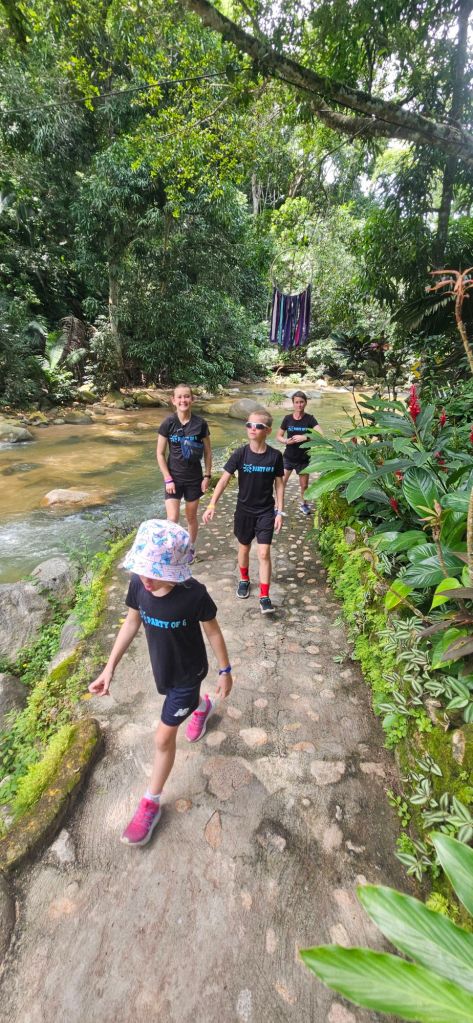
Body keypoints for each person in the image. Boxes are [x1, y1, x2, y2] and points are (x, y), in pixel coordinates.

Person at [88, 519, 232, 847]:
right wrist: (109, 668)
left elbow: (212, 631)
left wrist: (225, 670)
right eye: (143, 570)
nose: (147, 580)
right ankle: (202, 706)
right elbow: (131, 622)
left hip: (189, 673)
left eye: (155, 573)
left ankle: (150, 802)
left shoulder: (194, 595)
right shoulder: (139, 585)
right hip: (163, 669)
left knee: (163, 738)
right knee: (186, 704)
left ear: (176, 571)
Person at [202, 410, 284, 615]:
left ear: (268, 430)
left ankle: (264, 596)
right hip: (244, 511)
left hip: (266, 511)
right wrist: (212, 504)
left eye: (258, 426)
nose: (252, 429)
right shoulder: (240, 454)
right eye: (249, 425)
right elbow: (224, 480)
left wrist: (280, 511)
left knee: (264, 552)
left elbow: (279, 484)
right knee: (244, 548)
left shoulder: (275, 456)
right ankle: (244, 579)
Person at [157, 384, 212, 556]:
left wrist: (207, 476)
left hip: (194, 479)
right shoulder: (168, 423)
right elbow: (159, 453)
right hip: (173, 478)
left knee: (190, 517)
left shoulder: (200, 424)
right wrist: (167, 478)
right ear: (173, 400)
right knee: (172, 518)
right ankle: (171, 551)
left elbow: (208, 452)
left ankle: (190, 549)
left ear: (192, 399)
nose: (183, 400)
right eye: (179, 397)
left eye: (186, 396)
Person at [275, 390, 323, 515]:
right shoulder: (287, 419)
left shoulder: (310, 419)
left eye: (301, 402)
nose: (299, 405)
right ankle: (278, 507)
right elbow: (278, 436)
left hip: (303, 459)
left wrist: (305, 437)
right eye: (296, 402)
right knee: (281, 483)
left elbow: (320, 435)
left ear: (305, 403)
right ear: (293, 403)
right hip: (288, 458)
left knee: (304, 486)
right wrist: (286, 441)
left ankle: (304, 505)